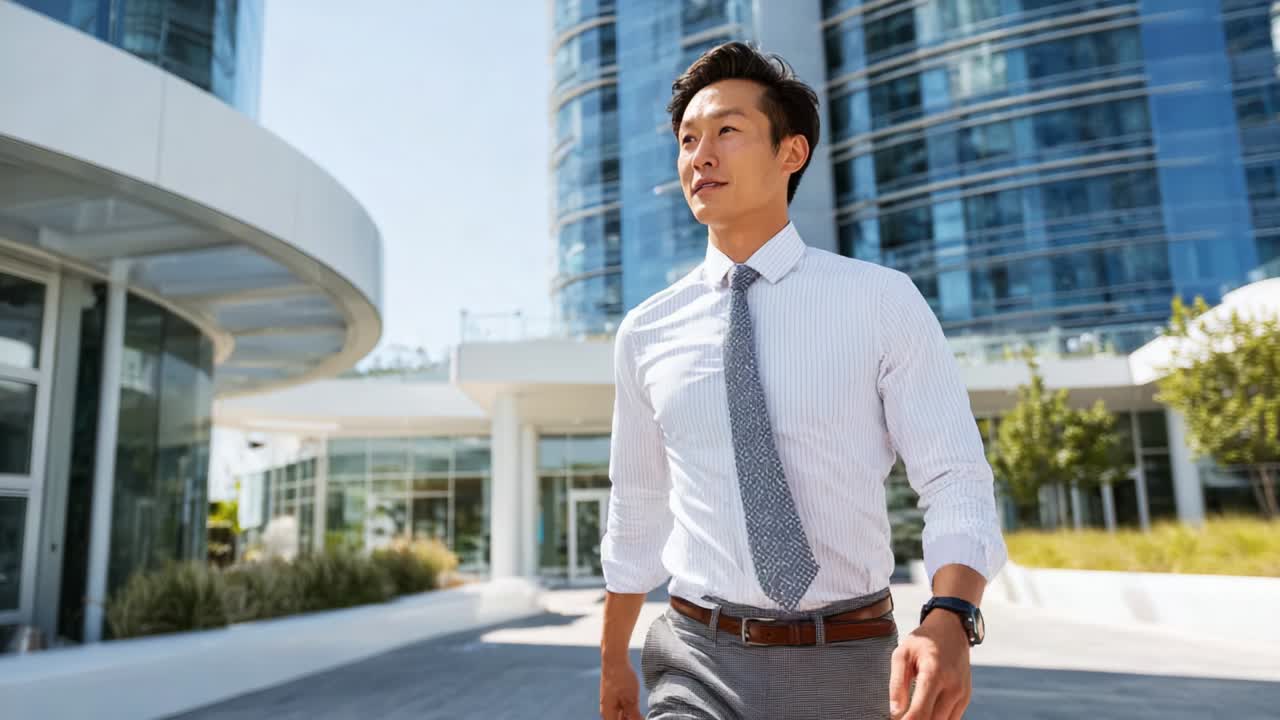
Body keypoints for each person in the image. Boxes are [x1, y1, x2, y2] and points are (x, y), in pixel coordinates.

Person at [597, 41, 1007, 720]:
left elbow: (955, 478)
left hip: (847, 655)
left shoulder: (881, 301)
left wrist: (952, 614)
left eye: (727, 131)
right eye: (688, 138)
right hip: (694, 653)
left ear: (792, 153)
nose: (700, 155)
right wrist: (614, 657)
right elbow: (638, 502)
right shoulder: (646, 331)